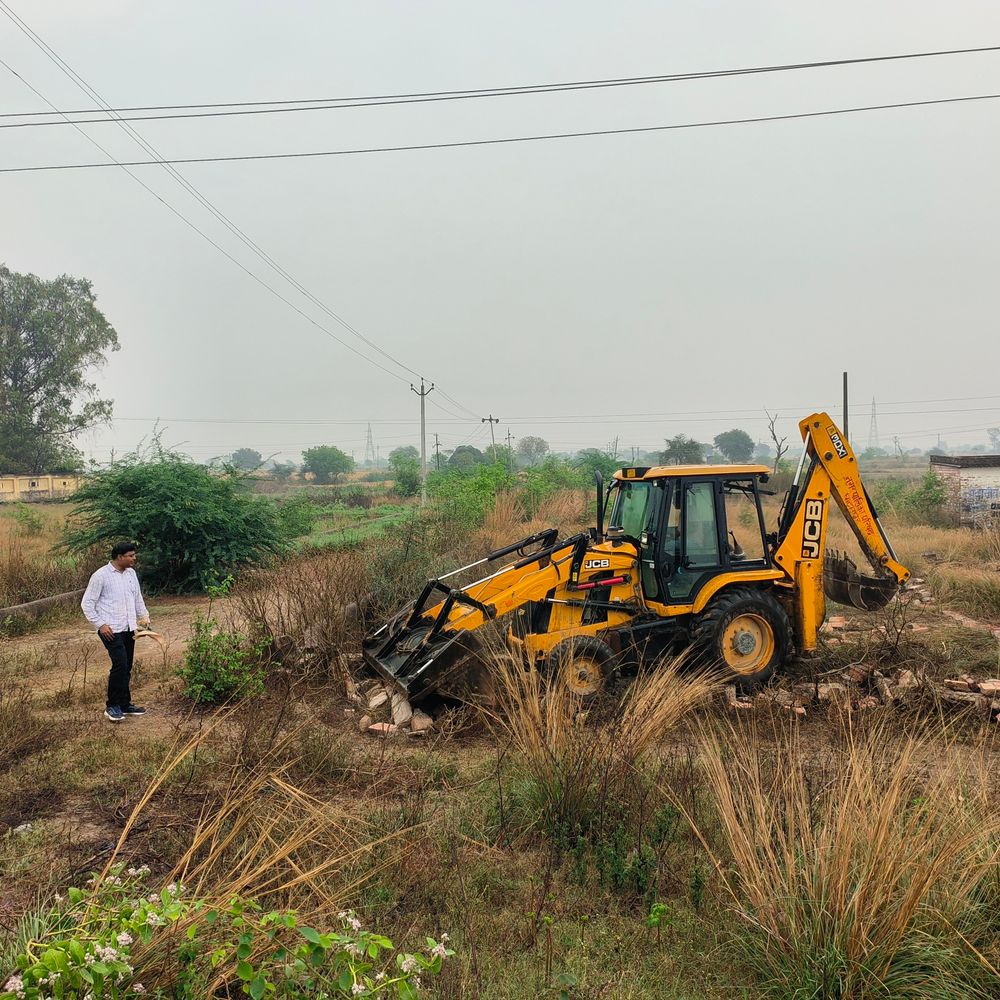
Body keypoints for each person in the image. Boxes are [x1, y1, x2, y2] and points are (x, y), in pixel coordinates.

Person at [81, 540, 150, 723]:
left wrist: (144, 617)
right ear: (120, 557)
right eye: (130, 556)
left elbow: (137, 598)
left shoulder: (131, 573)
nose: (134, 558)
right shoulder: (101, 576)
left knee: (127, 666)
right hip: (110, 630)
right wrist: (100, 625)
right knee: (120, 664)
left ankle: (125, 704)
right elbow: (87, 603)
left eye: (134, 555)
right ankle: (112, 706)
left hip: (129, 628)